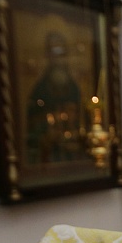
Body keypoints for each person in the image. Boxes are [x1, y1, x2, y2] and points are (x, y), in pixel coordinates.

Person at [26, 31, 85, 165]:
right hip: (48, 153)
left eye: (61, 53)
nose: (58, 59)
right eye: (54, 53)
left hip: (73, 153)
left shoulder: (73, 87)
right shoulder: (40, 88)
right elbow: (32, 121)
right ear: (48, 56)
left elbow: (81, 118)